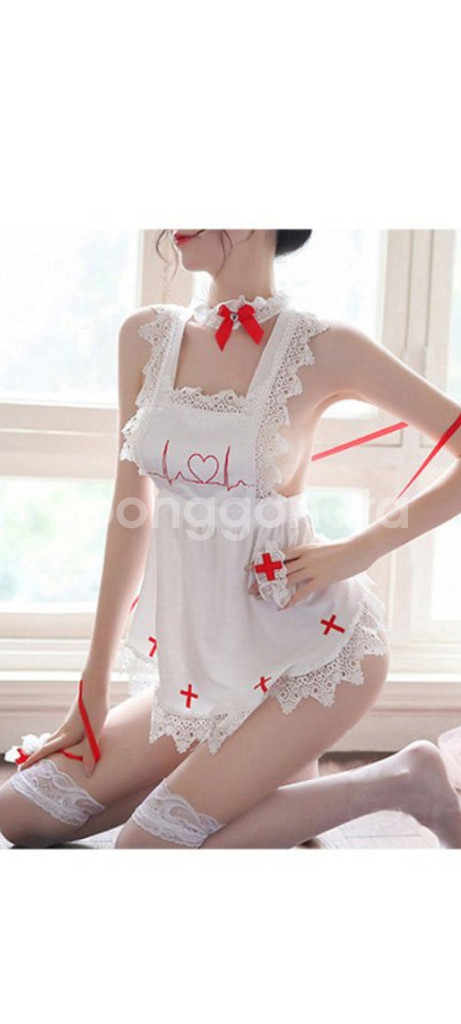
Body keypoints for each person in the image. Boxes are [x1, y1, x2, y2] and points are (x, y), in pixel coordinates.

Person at [1, 228, 461, 850]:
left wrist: (357, 551)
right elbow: (129, 511)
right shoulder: (146, 335)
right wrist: (94, 683)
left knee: (145, 851)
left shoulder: (325, 345)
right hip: (206, 665)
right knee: (20, 813)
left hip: (313, 652)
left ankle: (401, 780)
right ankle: (266, 773)